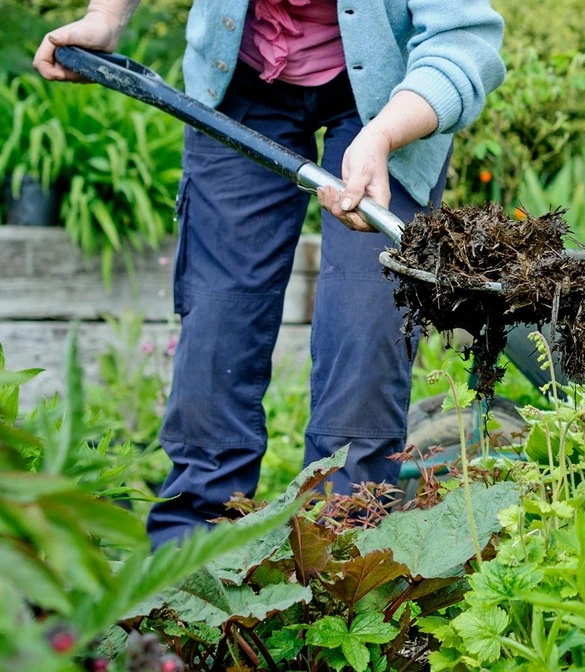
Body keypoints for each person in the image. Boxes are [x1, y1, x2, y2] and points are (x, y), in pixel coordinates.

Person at [34, 0, 505, 547]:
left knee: (365, 326)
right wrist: (105, 18)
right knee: (218, 323)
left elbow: (465, 39)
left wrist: (382, 135)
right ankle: (189, 563)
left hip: (391, 97)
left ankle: (343, 554)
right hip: (242, 79)